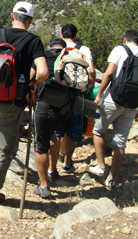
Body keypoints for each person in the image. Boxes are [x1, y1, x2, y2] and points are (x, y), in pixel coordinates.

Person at [0, 2, 48, 202]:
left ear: (12, 17)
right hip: (14, 100)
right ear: (30, 21)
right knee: (4, 146)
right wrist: (31, 84)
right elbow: (43, 72)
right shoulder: (33, 41)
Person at [90, 29, 138, 189]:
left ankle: (101, 166)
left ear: (125, 39)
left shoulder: (119, 50)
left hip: (113, 99)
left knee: (98, 131)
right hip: (132, 104)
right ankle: (112, 178)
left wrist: (99, 95)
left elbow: (109, 73)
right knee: (120, 142)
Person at [54, 24, 95, 174]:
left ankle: (58, 156)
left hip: (61, 95)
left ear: (61, 35)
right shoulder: (84, 50)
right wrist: (89, 89)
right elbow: (91, 70)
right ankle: (67, 163)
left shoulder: (60, 49)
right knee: (74, 129)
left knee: (59, 128)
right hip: (78, 95)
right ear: (76, 36)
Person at [32, 38, 70, 198]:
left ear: (50, 47)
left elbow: (33, 77)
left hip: (45, 102)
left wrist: (31, 95)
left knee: (40, 144)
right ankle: (52, 170)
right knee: (52, 133)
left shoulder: (43, 56)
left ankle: (44, 185)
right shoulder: (69, 57)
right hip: (65, 106)